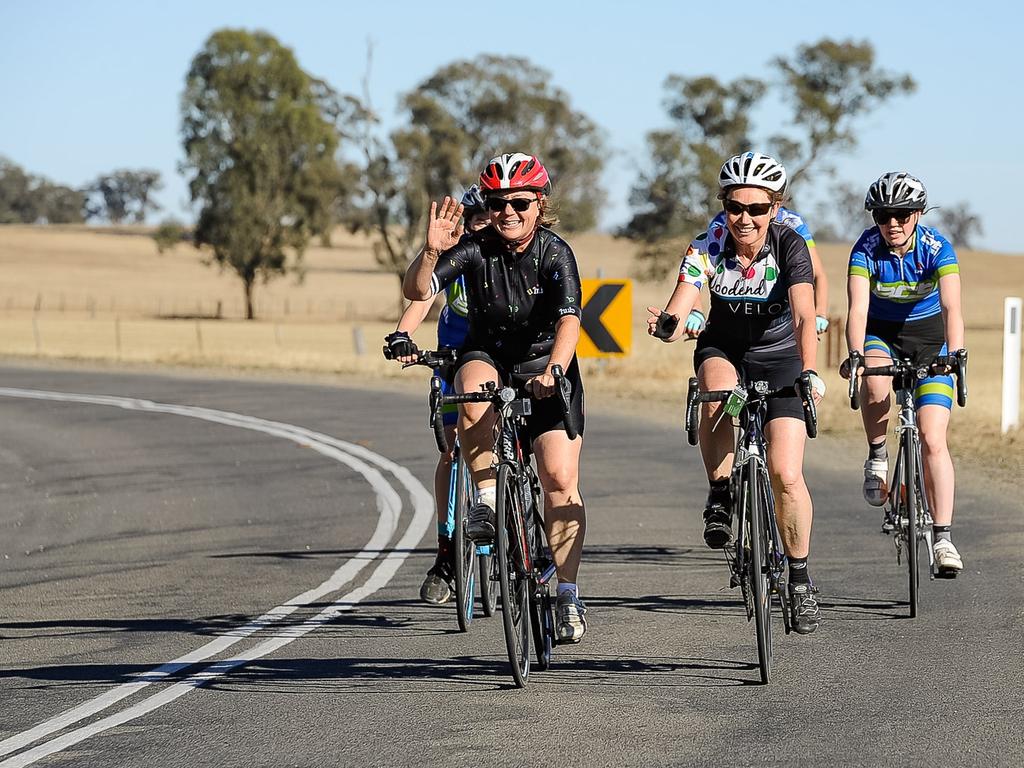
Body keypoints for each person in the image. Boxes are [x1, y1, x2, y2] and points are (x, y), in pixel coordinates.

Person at [403, 153, 589, 642]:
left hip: (545, 364)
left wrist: (554, 369)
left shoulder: (555, 252)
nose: (509, 211)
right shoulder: (475, 249)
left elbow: (570, 321)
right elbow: (418, 292)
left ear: (539, 203)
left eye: (520, 202)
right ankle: (486, 501)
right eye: (498, 202)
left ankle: (567, 595)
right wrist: (429, 253)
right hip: (489, 355)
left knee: (559, 481)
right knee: (471, 382)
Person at [647, 151, 825, 634]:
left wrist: (808, 371)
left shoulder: (790, 245)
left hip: (781, 353)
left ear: (775, 207)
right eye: (735, 206)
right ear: (723, 204)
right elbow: (682, 301)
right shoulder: (708, 242)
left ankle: (800, 579)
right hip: (724, 346)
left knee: (787, 474)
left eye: (757, 209)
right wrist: (669, 324)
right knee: (719, 390)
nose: (745, 218)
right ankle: (721, 491)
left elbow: (806, 316)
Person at [844, 172, 966, 577]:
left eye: (900, 215)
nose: (891, 224)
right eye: (882, 215)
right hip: (882, 333)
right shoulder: (865, 248)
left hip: (931, 340)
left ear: (917, 215)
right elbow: (858, 309)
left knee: (933, 437)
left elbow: (951, 308)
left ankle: (943, 538)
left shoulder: (937, 248)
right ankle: (877, 456)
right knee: (875, 379)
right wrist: (857, 354)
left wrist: (955, 354)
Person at [384, 186, 491, 605]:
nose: (484, 227)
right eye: (476, 221)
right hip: (453, 354)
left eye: (489, 219)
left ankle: (520, 521)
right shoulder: (459, 255)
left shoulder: (510, 255)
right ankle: (447, 552)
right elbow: (422, 297)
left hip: (499, 356)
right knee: (451, 452)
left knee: (520, 434)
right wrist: (402, 334)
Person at [683, 207, 831, 339]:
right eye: (736, 206)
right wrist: (696, 310)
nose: (745, 218)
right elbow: (697, 267)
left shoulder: (792, 222)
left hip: (780, 321)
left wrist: (820, 314)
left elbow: (817, 274)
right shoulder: (723, 220)